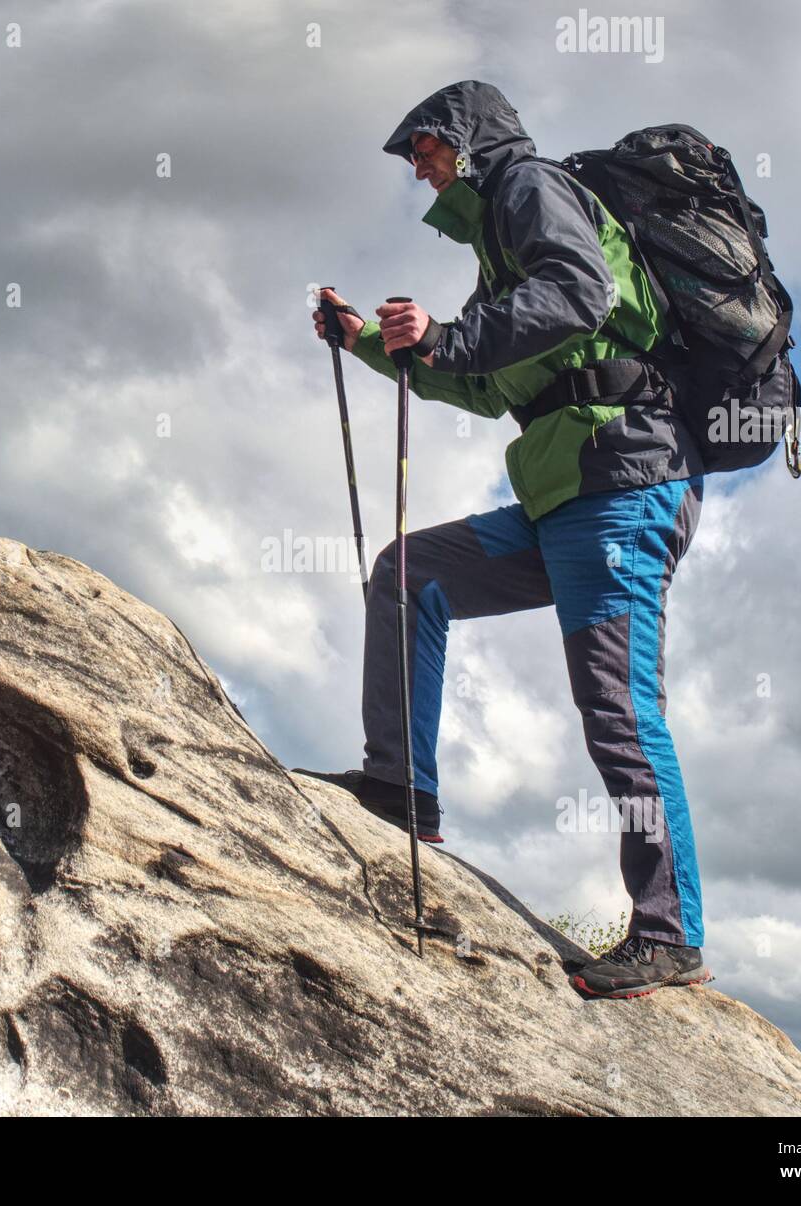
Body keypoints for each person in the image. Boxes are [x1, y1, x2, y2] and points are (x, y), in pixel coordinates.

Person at [299, 81, 712, 999]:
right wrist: (376, 342)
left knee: (617, 706)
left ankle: (669, 932)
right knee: (409, 574)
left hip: (621, 482)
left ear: (466, 140)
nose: (417, 166)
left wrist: (445, 334)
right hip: (559, 490)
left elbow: (577, 293)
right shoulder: (498, 241)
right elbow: (490, 386)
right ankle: (402, 788)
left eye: (424, 147)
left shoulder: (530, 187)